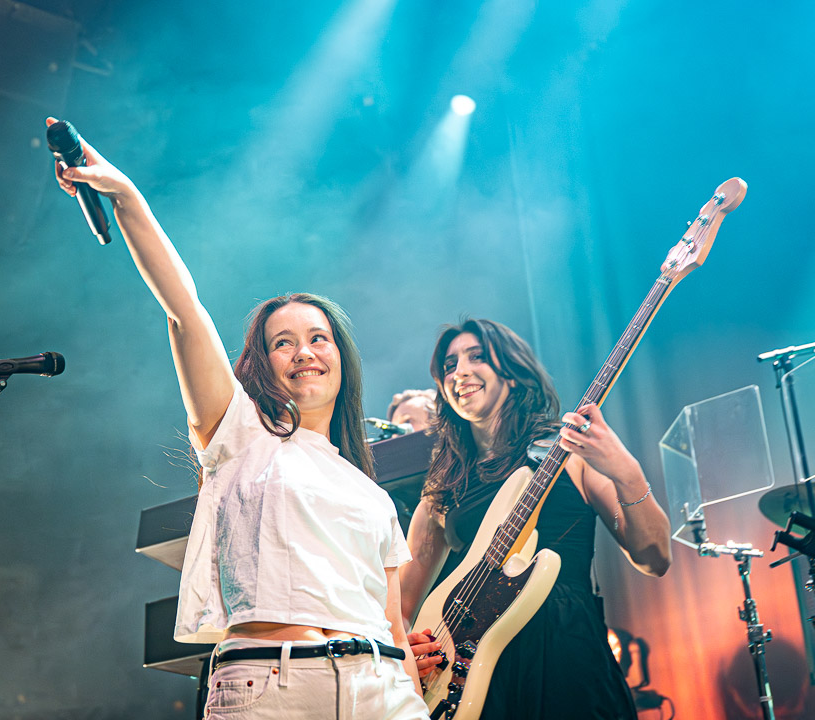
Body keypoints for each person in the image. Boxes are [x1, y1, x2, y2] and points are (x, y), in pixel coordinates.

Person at [48, 118, 428, 719]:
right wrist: (128, 198)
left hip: (384, 690)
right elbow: (184, 311)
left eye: (318, 338)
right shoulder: (239, 434)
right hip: (273, 687)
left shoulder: (369, 491)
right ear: (262, 363)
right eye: (283, 342)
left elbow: (396, 627)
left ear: (341, 358)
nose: (304, 351)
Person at [400, 318, 671, 719]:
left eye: (477, 357)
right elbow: (400, 603)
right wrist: (409, 648)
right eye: (450, 365)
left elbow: (655, 557)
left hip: (568, 654)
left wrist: (626, 472)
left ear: (512, 372)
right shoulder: (442, 486)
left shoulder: (568, 453)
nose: (460, 371)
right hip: (475, 675)